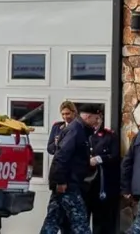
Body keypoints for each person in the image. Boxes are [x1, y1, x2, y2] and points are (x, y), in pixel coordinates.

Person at [44, 103, 102, 234]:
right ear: (87, 116)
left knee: (53, 220)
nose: (97, 121)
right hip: (68, 183)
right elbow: (62, 156)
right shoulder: (76, 130)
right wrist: (60, 181)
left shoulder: (80, 130)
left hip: (67, 182)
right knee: (80, 221)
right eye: (96, 118)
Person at [39, 100, 78, 234]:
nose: (65, 117)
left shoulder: (78, 128)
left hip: (72, 176)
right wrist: (57, 145)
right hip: (59, 174)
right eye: (63, 114)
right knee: (55, 214)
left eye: (68, 113)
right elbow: (50, 148)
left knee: (73, 217)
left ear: (74, 112)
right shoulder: (58, 127)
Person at [85, 114, 119, 234]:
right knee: (81, 220)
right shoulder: (81, 134)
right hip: (84, 184)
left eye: (97, 119)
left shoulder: (109, 136)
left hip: (101, 184)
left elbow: (115, 156)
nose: (95, 122)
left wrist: (99, 159)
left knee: (101, 221)